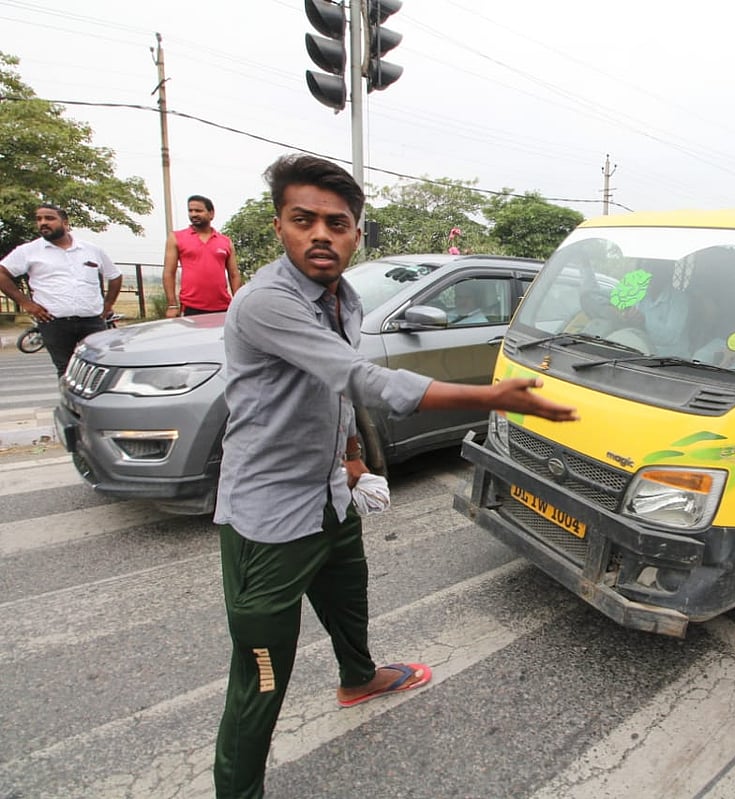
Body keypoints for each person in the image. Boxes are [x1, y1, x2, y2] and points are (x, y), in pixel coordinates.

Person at [212, 154, 577, 798]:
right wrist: (489, 397)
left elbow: (338, 391)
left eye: (338, 222)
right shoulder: (266, 301)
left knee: (349, 603)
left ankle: (359, 678)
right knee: (261, 678)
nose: (321, 235)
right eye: (305, 220)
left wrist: (353, 459)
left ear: (356, 234)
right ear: (279, 227)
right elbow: (364, 379)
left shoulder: (343, 298)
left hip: (329, 498)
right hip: (268, 521)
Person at [0, 203, 122, 377]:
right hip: (55, 323)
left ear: (65, 223)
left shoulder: (91, 250)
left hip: (92, 321)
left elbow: (115, 276)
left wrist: (108, 304)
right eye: (39, 219)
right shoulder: (28, 251)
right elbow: (2, 274)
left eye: (49, 218)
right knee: (66, 370)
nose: (43, 223)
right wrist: (27, 304)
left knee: (100, 369)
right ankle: (72, 404)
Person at [162, 194, 241, 317]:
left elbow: (234, 274)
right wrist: (172, 305)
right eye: (190, 211)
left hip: (223, 307)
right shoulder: (176, 237)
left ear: (211, 214)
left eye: (198, 211)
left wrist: (238, 303)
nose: (193, 214)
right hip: (191, 307)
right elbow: (169, 273)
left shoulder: (225, 241)